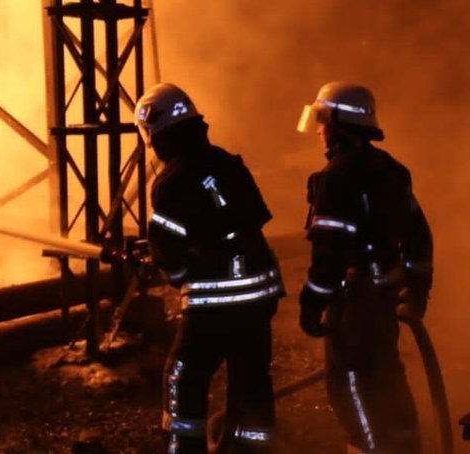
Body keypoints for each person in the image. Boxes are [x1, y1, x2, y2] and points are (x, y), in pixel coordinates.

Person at [136, 83, 284, 453]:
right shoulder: (228, 162)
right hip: (260, 295)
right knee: (251, 381)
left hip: (215, 305)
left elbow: (167, 250)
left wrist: (179, 271)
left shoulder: (170, 181)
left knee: (183, 377)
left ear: (157, 134)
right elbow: (246, 219)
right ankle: (250, 449)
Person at [297, 82, 432, 452]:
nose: (319, 131)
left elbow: (328, 254)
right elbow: (419, 235)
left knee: (350, 387)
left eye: (323, 122)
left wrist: (311, 304)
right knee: (388, 379)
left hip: (354, 306)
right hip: (385, 301)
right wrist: (417, 291)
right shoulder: (391, 169)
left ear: (336, 124)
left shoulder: (336, 177)